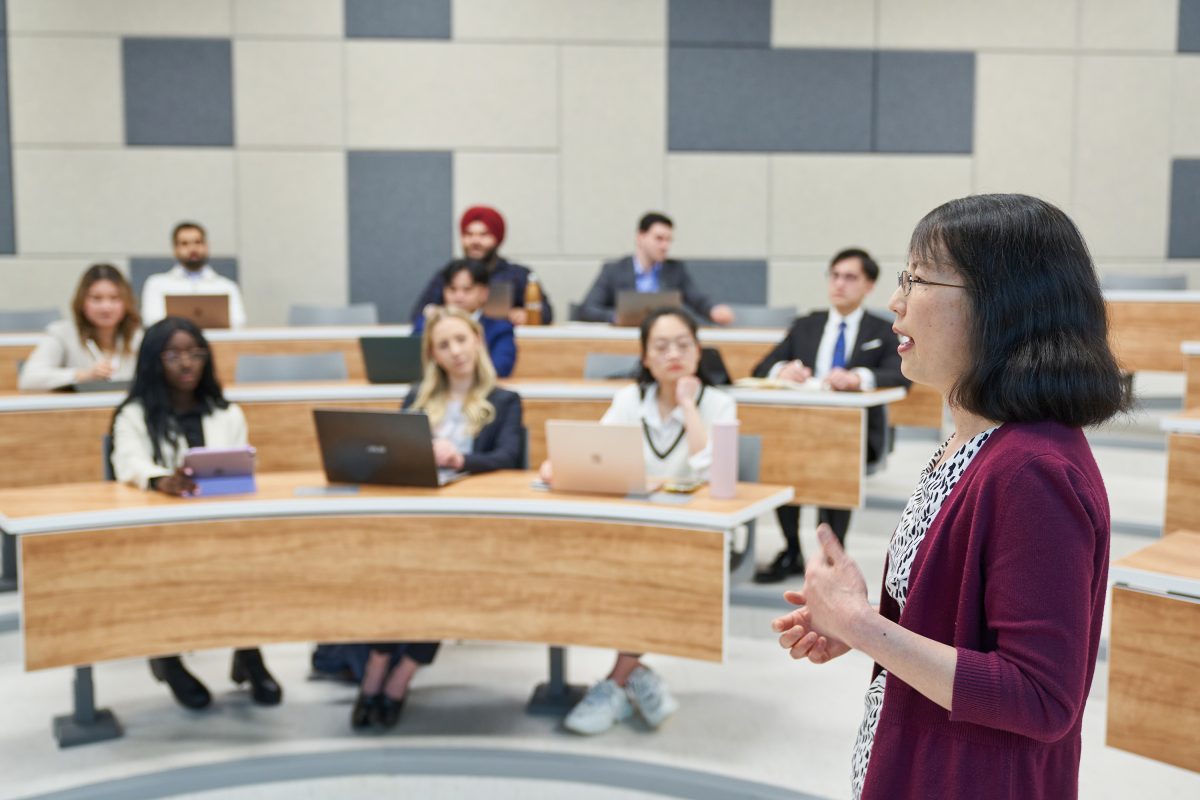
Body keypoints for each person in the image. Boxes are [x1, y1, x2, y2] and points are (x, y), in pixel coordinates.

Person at [771, 194, 1127, 800]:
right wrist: (866, 629)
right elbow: (963, 625)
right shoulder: (976, 442)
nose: (895, 301)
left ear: (999, 304)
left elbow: (1041, 696)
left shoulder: (1031, 469)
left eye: (916, 277)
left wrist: (863, 625)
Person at [539, 307, 737, 735]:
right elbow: (598, 451)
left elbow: (711, 470)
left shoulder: (719, 403)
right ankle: (635, 677)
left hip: (693, 535)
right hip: (632, 528)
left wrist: (687, 403)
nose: (673, 354)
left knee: (650, 573)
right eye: (660, 347)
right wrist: (561, 464)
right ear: (645, 358)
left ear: (699, 351)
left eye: (683, 344)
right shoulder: (630, 400)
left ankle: (614, 682)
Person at [353, 306, 524, 730]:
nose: (455, 351)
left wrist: (461, 457)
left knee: (442, 585)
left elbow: (508, 458)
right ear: (433, 353)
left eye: (461, 340)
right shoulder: (417, 397)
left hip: (470, 518)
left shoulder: (505, 401)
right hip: (415, 512)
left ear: (477, 342)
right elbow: (390, 450)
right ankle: (377, 661)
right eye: (444, 344)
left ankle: (401, 673)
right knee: (392, 579)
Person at [110, 317, 282, 710]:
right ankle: (167, 656)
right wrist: (159, 481)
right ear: (155, 361)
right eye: (173, 355)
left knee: (253, 565)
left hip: (223, 524)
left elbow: (240, 463)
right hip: (161, 531)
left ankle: (249, 651)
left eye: (195, 353)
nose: (186, 363)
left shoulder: (227, 413)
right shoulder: (134, 415)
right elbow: (128, 464)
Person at [752, 249, 909, 583]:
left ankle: (833, 555)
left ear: (869, 285)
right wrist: (783, 370)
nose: (839, 284)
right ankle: (791, 548)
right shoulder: (807, 324)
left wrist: (859, 378)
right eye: (834, 275)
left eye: (850, 277)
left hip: (851, 433)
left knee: (835, 461)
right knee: (784, 457)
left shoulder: (881, 330)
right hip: (797, 429)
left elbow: (900, 375)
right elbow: (763, 367)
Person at [577, 212, 735, 325]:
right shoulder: (614, 270)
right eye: (659, 239)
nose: (665, 246)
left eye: (669, 240)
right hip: (624, 339)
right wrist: (617, 317)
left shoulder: (675, 270)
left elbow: (697, 298)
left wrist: (713, 310)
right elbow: (588, 308)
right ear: (640, 236)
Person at [409, 205, 553, 326]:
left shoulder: (517, 274)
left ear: (497, 239)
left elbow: (546, 313)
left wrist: (524, 314)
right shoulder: (449, 274)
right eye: (469, 234)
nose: (475, 241)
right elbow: (418, 314)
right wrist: (435, 312)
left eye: (483, 235)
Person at [18, 263, 143, 391]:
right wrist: (83, 375)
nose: (106, 307)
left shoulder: (138, 337)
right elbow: (29, 380)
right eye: (96, 298)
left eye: (114, 298)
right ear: (82, 301)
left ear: (127, 302)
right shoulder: (62, 333)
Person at [413, 259, 517, 377]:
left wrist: (458, 371)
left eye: (467, 290)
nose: (458, 297)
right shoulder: (428, 324)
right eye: (452, 289)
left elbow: (501, 367)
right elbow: (414, 363)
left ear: (484, 293)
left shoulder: (500, 329)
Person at [141, 221, 247, 328]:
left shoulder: (227, 287)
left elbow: (238, 323)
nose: (193, 249)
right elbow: (151, 322)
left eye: (198, 242)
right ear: (175, 249)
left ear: (206, 246)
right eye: (184, 244)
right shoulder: (156, 284)